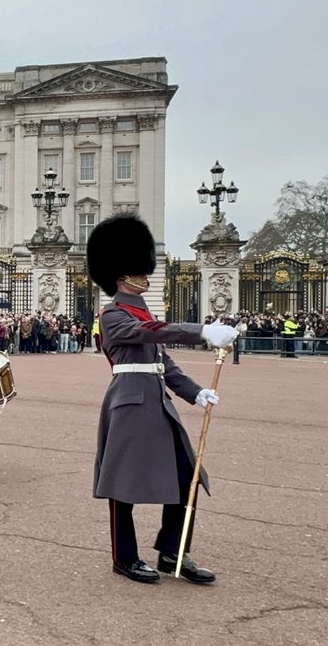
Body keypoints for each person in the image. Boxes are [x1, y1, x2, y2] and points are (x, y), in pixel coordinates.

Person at [86, 214, 238, 584]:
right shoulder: (112, 315)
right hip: (128, 404)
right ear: (122, 276)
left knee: (187, 475)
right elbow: (151, 332)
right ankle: (125, 557)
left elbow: (163, 362)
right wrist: (201, 331)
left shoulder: (141, 310)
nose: (146, 276)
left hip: (158, 405)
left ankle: (174, 552)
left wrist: (194, 391)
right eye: (140, 271)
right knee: (124, 484)